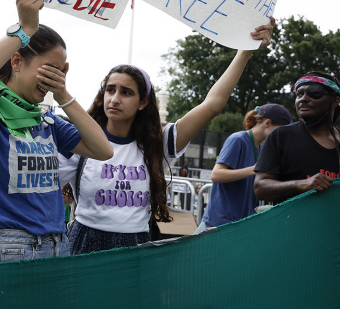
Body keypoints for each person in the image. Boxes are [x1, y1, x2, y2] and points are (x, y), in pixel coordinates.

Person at [61, 19, 276, 254]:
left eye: (126, 92)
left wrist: (245, 51)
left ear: (143, 102)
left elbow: (213, 104)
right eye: (110, 90)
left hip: (135, 247)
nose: (114, 99)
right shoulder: (79, 139)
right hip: (83, 244)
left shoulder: (157, 143)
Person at [0, 0, 113, 264]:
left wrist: (63, 93)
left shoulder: (47, 120)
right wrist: (24, 31)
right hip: (6, 248)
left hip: (56, 245)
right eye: (49, 69)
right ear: (16, 62)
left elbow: (103, 150)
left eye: (61, 72)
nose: (55, 78)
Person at [195, 103, 292, 233]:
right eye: (281, 130)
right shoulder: (238, 139)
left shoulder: (262, 148)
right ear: (267, 123)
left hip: (239, 223)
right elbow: (216, 175)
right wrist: (253, 169)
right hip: (219, 223)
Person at [254, 72, 340, 203]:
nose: (303, 99)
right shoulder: (280, 136)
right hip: (292, 222)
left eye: (314, 93)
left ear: (336, 100)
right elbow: (260, 187)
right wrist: (300, 184)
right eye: (299, 94)